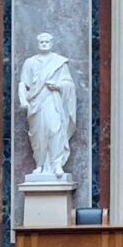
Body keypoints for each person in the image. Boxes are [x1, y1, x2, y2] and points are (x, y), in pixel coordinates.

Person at [16, 33, 76, 180]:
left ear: (52, 43)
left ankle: (56, 164)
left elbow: (69, 84)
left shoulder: (59, 62)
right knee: (39, 135)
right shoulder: (30, 62)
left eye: (47, 42)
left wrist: (58, 85)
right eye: (41, 42)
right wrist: (23, 100)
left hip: (52, 100)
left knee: (54, 130)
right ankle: (40, 164)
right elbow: (23, 83)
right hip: (35, 102)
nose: (44, 44)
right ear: (38, 44)